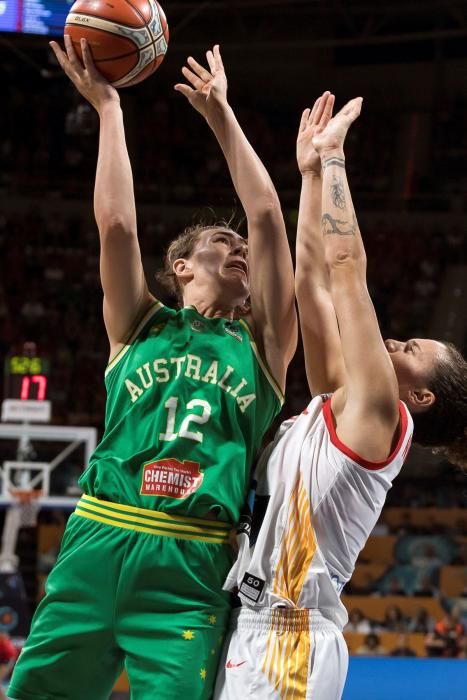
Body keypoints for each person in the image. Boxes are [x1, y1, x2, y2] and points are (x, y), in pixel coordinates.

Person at [8, 41, 296, 700]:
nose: (240, 248)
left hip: (192, 563)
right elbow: (114, 227)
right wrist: (109, 110)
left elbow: (269, 219)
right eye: (222, 244)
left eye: (241, 247)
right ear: (182, 268)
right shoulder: (138, 326)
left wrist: (221, 116)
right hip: (102, 535)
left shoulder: (263, 347)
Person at [214, 92, 467, 700]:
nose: (394, 342)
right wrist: (305, 175)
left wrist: (334, 162)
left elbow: (346, 265)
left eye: (408, 350)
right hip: (248, 624)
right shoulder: (337, 400)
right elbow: (313, 282)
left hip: (291, 643)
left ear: (421, 398)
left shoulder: (382, 414)